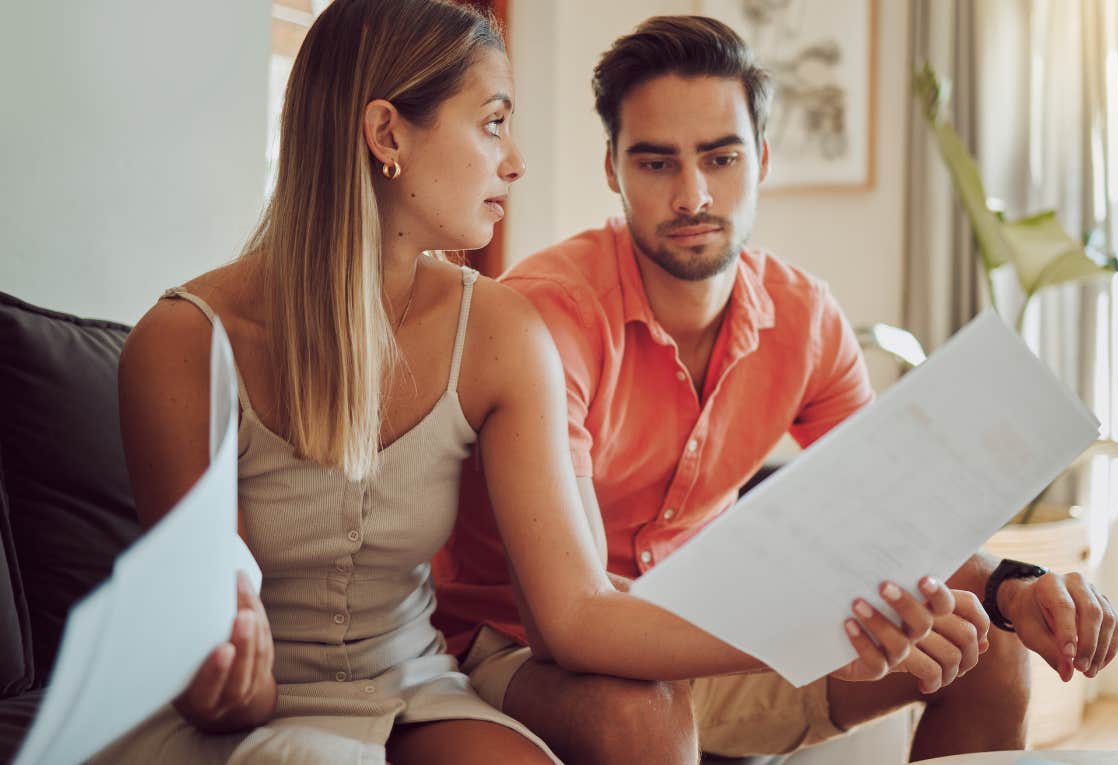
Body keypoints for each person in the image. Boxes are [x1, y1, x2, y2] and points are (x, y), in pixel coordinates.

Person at [100, 3, 971, 763]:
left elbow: (577, 611)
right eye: (493, 123)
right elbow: (212, 667)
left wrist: (845, 620)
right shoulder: (181, 344)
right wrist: (226, 684)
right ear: (386, 136)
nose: (514, 162)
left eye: (721, 156)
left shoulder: (497, 330)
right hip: (278, 705)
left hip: (411, 681)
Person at [434, 14, 1118, 764]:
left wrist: (1015, 589)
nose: (693, 194)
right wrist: (797, 631)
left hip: (704, 634)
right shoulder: (548, 316)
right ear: (614, 168)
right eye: (657, 163)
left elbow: (891, 516)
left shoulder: (805, 319)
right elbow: (573, 622)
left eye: (721, 157)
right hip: (522, 647)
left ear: (762, 158)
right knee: (641, 711)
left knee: (986, 646)